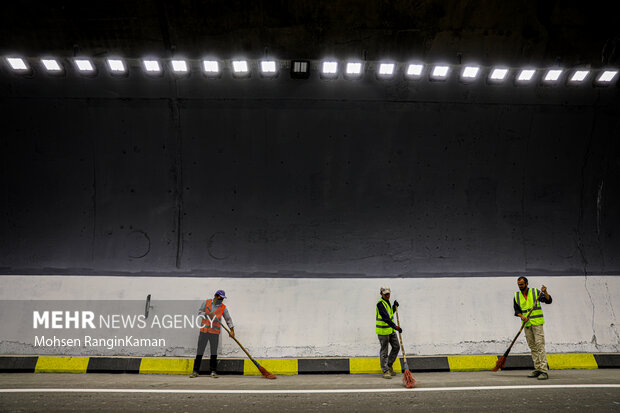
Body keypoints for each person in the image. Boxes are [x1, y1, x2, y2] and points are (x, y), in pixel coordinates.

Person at [189, 289, 234, 378]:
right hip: (204, 332)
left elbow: (228, 319)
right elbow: (199, 313)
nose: (221, 300)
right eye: (220, 298)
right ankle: (195, 371)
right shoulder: (206, 303)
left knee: (214, 352)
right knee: (200, 351)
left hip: (214, 333)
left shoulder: (223, 308)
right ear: (215, 296)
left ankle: (213, 371)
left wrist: (232, 330)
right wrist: (207, 314)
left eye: (222, 299)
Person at [514, 276, 552, 380]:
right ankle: (538, 368)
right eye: (518, 284)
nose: (520, 286)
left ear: (526, 284)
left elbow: (548, 301)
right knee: (532, 347)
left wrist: (545, 291)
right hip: (526, 325)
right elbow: (516, 310)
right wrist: (522, 316)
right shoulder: (517, 295)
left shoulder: (536, 292)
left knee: (540, 346)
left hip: (537, 323)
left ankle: (544, 371)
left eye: (521, 284)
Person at [376, 286, 402, 379]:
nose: (387, 295)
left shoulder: (387, 302)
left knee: (396, 347)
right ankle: (385, 370)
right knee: (384, 351)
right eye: (385, 294)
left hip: (390, 330)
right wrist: (395, 326)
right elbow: (385, 317)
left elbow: (389, 313)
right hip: (383, 331)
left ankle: (389, 365)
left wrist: (394, 308)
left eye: (388, 293)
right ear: (381, 294)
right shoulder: (380, 304)